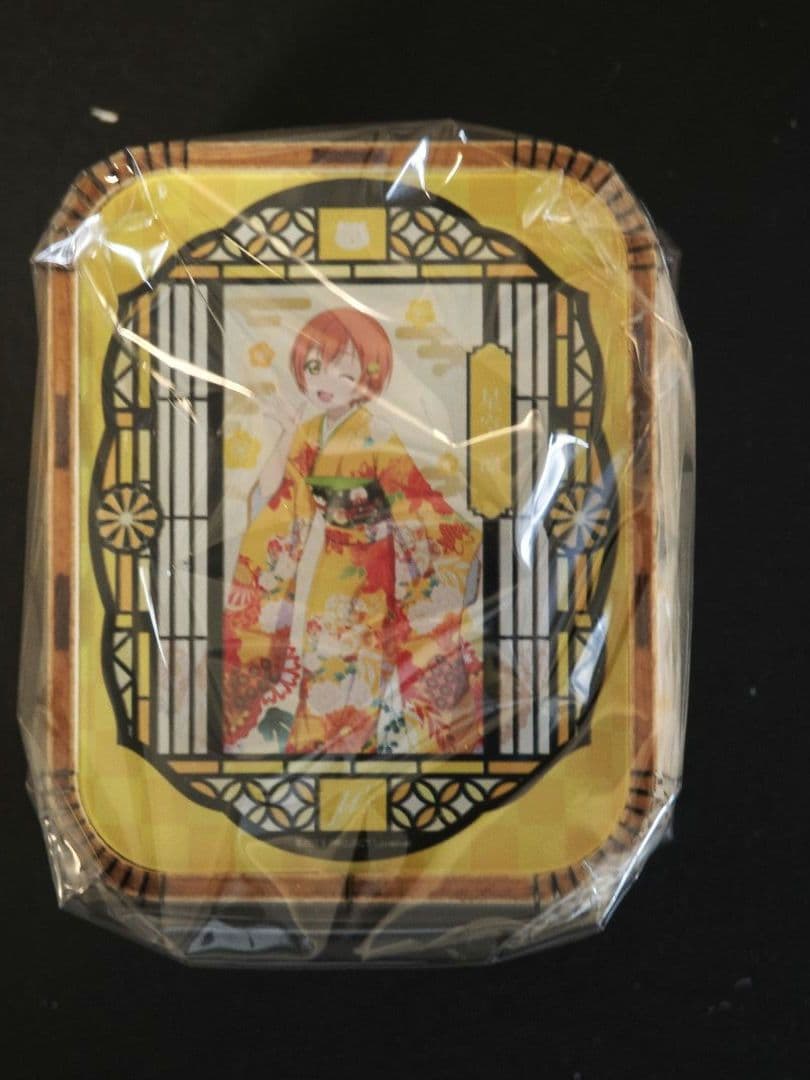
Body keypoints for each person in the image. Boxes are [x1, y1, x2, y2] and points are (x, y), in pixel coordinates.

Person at [222, 307, 482, 755]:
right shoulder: (308, 433)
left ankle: (352, 751)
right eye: (314, 367)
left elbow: (415, 505)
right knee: (322, 658)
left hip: (375, 574)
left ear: (370, 374)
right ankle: (317, 749)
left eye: (343, 371)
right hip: (330, 568)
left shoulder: (377, 434)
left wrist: (452, 555)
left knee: (360, 663)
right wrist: (284, 436)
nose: (324, 381)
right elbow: (281, 501)